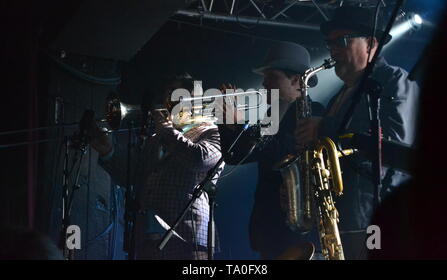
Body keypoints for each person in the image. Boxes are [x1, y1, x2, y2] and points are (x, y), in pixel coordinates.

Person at [296, 6, 420, 259]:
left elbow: (394, 141)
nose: (332, 49)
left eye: (341, 41)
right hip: (344, 220)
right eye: (329, 43)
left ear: (371, 44)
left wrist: (324, 128)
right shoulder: (338, 97)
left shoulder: (394, 80)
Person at [88, 73, 223, 260]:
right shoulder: (157, 137)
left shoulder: (211, 132)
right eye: (166, 95)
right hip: (148, 240)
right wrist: (107, 151)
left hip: (187, 237)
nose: (168, 101)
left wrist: (167, 132)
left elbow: (200, 159)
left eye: (174, 94)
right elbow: (134, 176)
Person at [218, 41, 325, 259]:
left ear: (296, 79)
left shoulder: (313, 114)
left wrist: (238, 124)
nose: (264, 83)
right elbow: (235, 155)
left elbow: (281, 151)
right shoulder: (271, 116)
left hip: (298, 228)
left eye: (272, 76)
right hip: (270, 228)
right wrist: (226, 123)